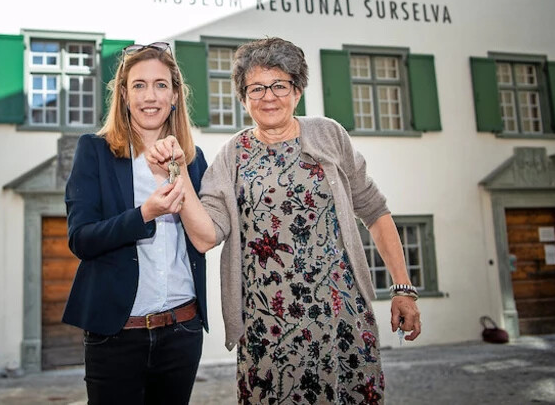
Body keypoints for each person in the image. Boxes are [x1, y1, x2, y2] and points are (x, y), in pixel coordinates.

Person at [149, 37, 421, 404]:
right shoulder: (232, 156)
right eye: (256, 88)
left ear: (297, 91)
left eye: (279, 85)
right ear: (243, 98)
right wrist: (178, 172)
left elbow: (374, 210)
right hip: (268, 328)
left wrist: (403, 288)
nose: (268, 97)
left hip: (341, 320)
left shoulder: (329, 135)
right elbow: (205, 237)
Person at [62, 41, 209, 405]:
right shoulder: (95, 151)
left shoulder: (193, 159)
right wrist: (144, 214)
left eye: (161, 85)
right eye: (139, 85)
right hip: (116, 334)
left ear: (175, 95)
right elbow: (81, 239)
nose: (150, 96)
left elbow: (205, 235)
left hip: (182, 329)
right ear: (124, 95)